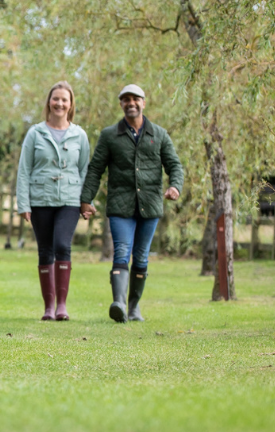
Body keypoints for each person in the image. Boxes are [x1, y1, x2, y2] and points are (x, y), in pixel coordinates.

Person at [79, 84, 184, 323]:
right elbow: (96, 169)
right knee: (122, 251)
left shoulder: (159, 134)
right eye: (126, 99)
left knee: (142, 256)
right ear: (121, 104)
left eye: (135, 99)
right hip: (120, 205)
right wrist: (86, 200)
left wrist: (175, 186)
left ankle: (134, 308)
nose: (131, 103)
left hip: (151, 205)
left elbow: (175, 165)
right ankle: (119, 303)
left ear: (144, 103)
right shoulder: (109, 135)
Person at [16, 82, 90, 321]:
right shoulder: (35, 133)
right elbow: (24, 170)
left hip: (70, 199)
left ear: (71, 105)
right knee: (45, 250)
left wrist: (87, 200)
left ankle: (62, 306)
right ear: (49, 102)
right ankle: (49, 307)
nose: (59, 103)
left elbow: (85, 170)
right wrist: (23, 204)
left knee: (62, 245)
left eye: (64, 100)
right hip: (40, 199)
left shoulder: (79, 135)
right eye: (55, 99)